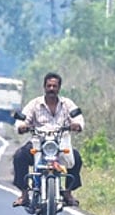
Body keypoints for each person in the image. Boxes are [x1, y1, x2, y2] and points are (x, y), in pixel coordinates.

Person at [12, 72, 84, 207]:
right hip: (38, 142)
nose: (51, 89)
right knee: (19, 156)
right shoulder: (34, 104)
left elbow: (78, 117)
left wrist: (77, 125)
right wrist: (22, 127)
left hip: (60, 143)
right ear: (44, 87)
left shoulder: (67, 104)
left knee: (76, 158)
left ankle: (68, 193)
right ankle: (24, 194)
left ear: (59, 88)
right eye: (49, 86)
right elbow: (22, 119)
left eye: (54, 86)